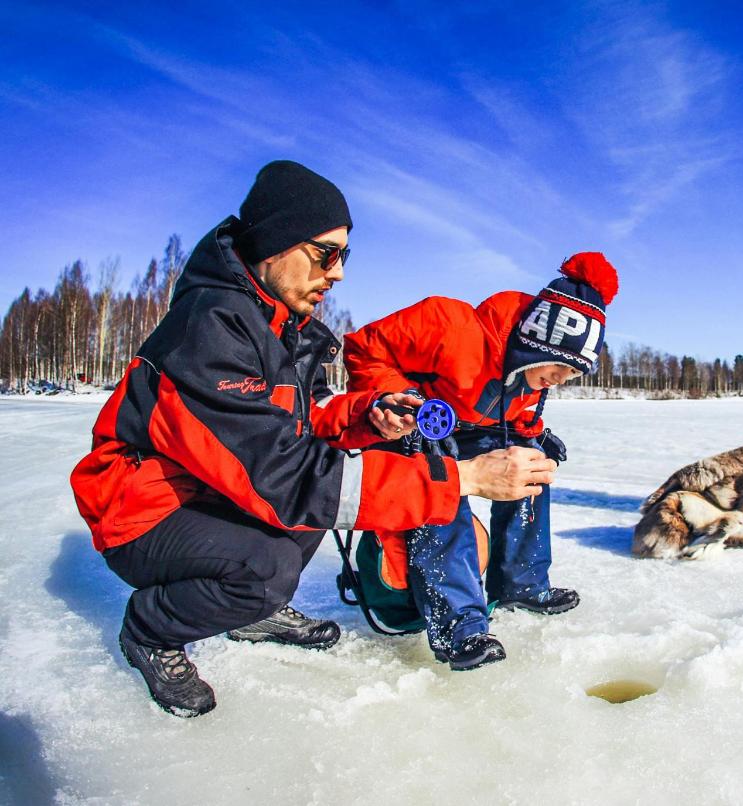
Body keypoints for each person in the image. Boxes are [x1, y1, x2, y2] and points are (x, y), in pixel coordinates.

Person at [70, 160, 556, 717]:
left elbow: (308, 417)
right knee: (268, 563)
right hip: (140, 507)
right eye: (326, 253)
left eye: (344, 256)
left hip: (207, 489)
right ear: (274, 244)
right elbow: (285, 475)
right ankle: (152, 630)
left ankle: (250, 611)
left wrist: (369, 412)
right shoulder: (210, 329)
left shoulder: (286, 328)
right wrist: (465, 477)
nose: (339, 272)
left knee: (307, 516)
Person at [341, 252, 619, 669]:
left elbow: (518, 419)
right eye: (560, 366)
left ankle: (520, 582)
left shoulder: (530, 378)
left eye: (573, 374)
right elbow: (363, 349)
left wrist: (536, 437)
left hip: (466, 431)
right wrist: (400, 400)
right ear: (536, 342)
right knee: (445, 482)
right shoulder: (448, 324)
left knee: (531, 465)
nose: (562, 380)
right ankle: (459, 625)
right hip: (410, 427)